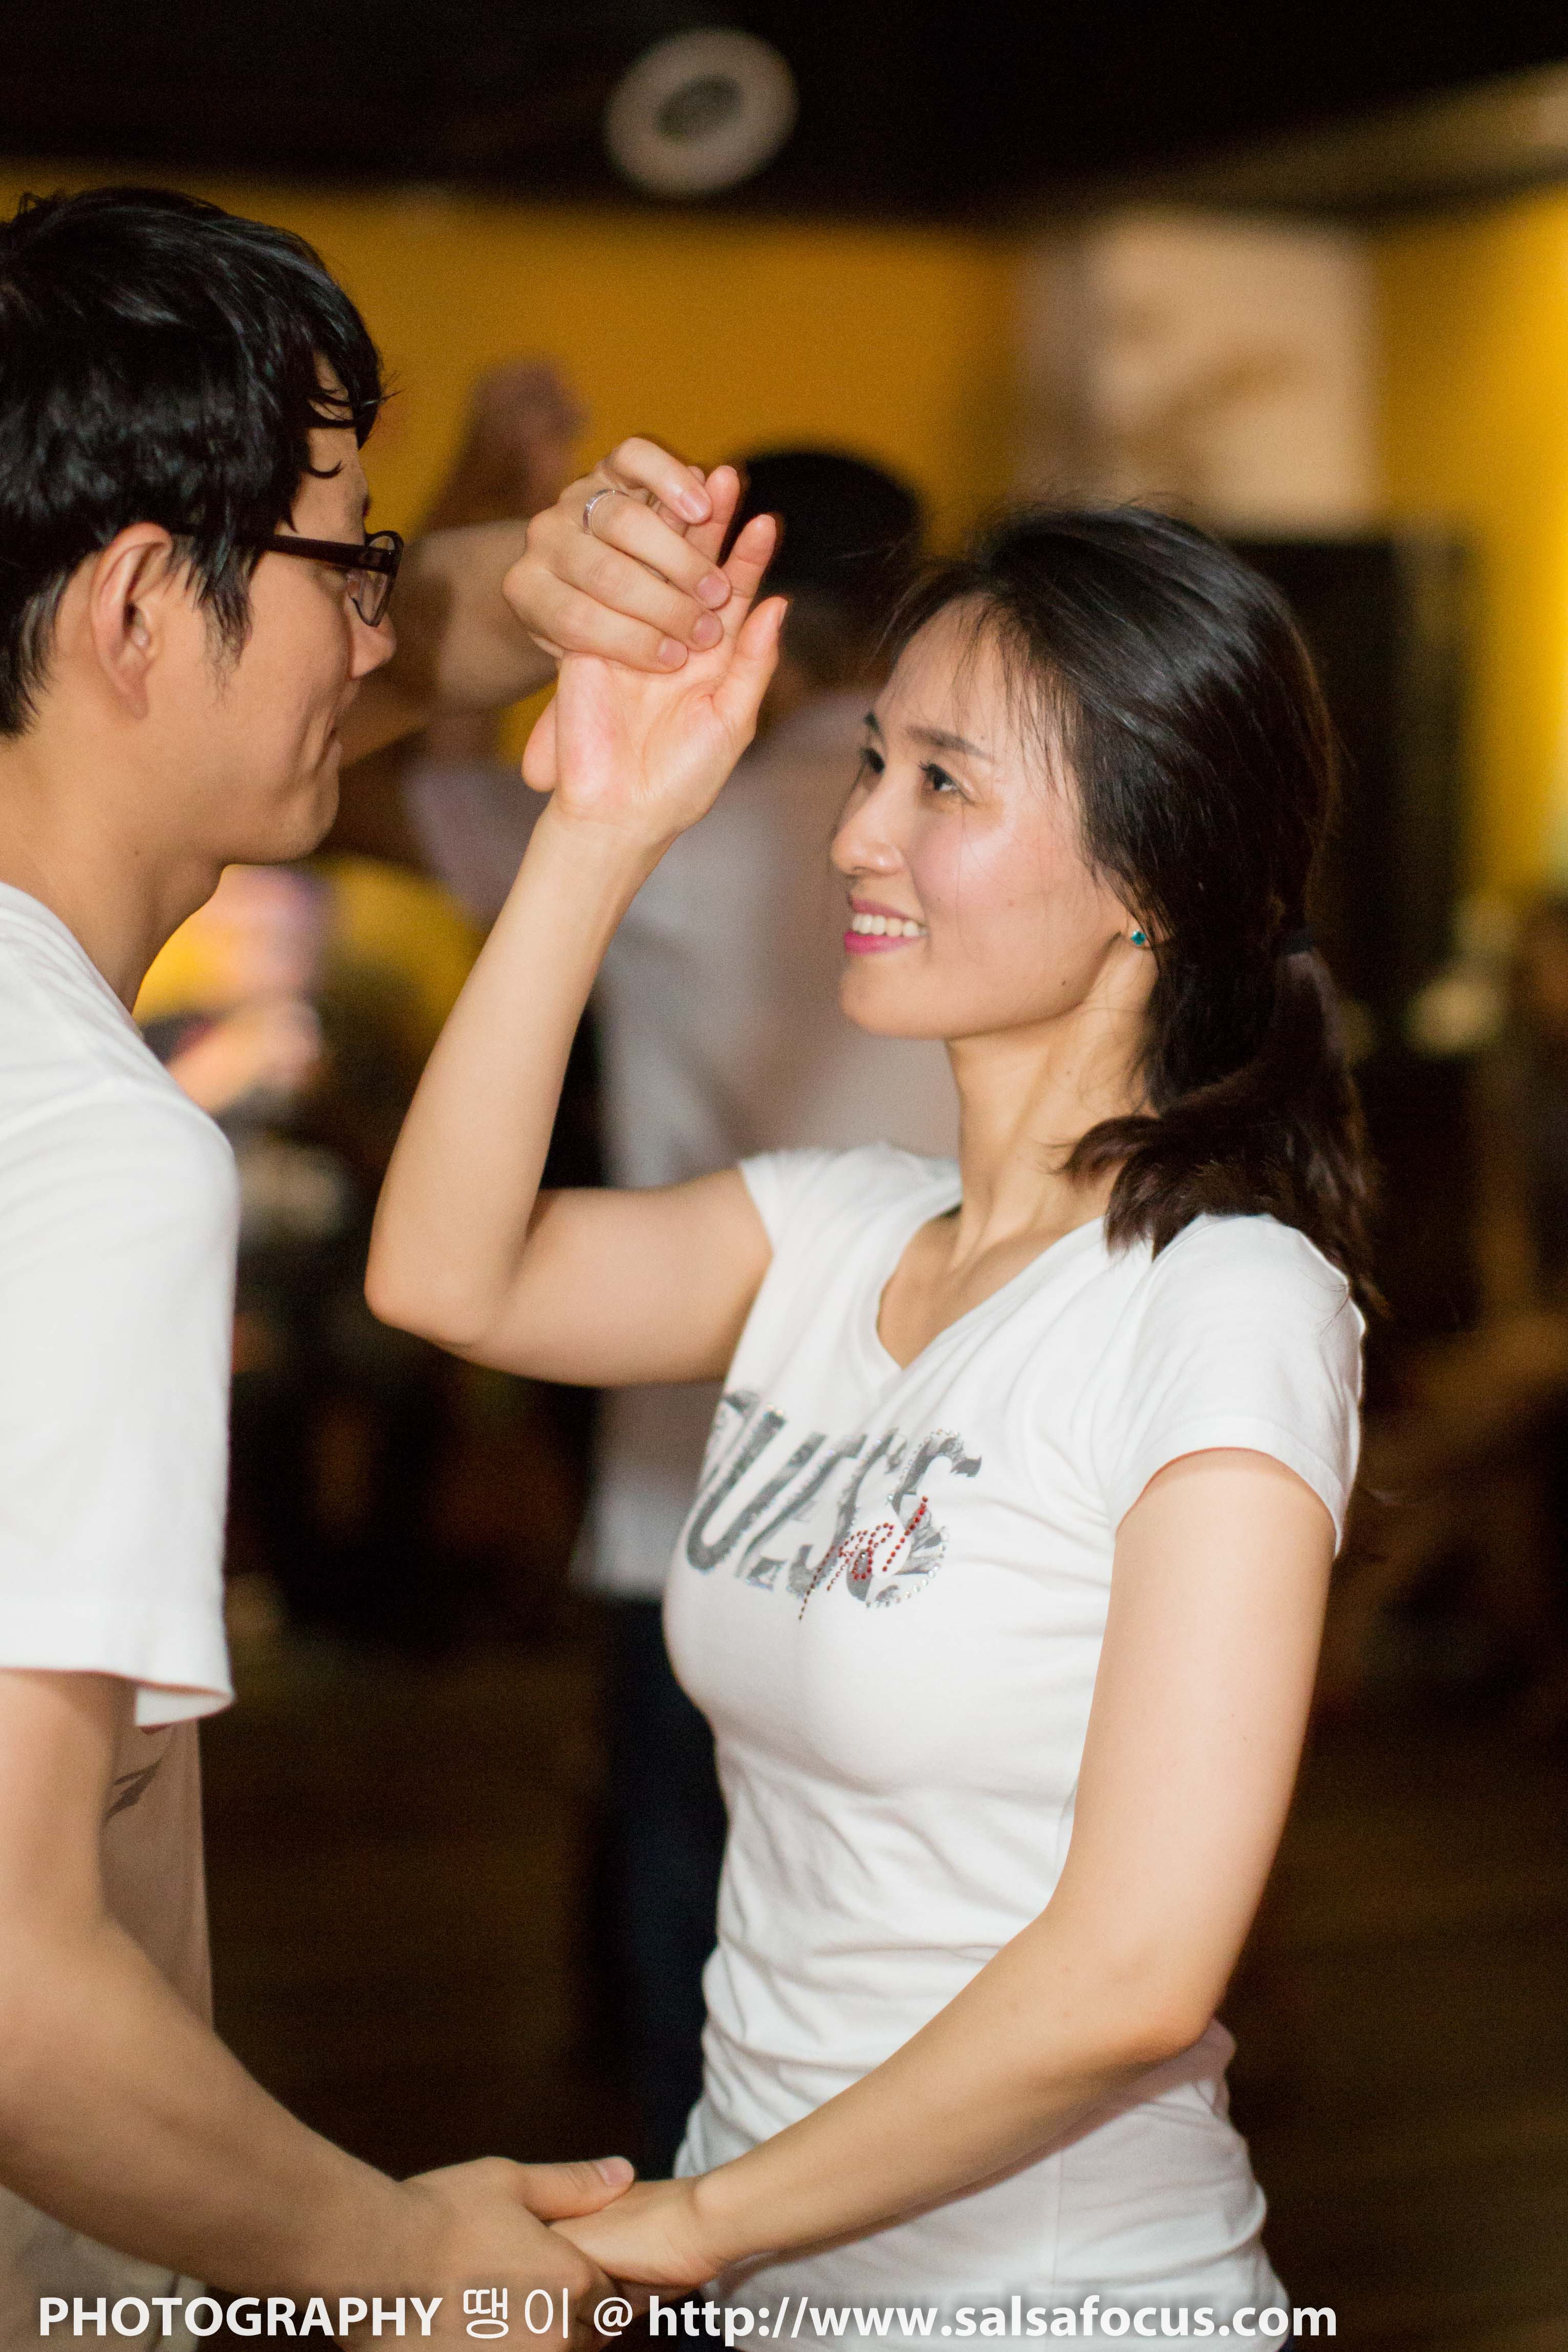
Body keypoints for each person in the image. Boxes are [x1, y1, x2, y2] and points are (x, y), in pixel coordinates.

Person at [370, 461, 1372, 2325]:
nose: (855, 837)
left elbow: (1138, 1970)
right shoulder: (828, 1232)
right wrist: (598, 831)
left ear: (1152, 874)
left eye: (944, 785)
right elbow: (445, 1271)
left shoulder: (1224, 1306)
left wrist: (689, 2223)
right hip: (779, 2266)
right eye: (871, 764)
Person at [0, 186, 736, 2339]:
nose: (379, 635)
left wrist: (533, 576)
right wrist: (404, 2259)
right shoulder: (89, 1145)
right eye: (351, 563)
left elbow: (355, 652)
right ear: (142, 602)